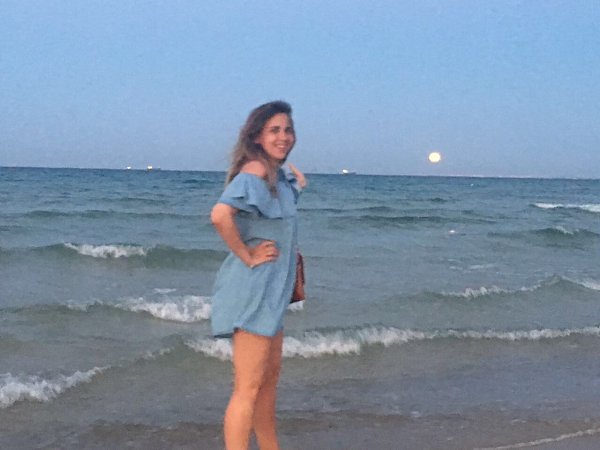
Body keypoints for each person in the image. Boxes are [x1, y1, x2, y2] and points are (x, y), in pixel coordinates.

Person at [210, 100, 306, 450]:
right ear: (257, 136)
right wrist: (247, 255)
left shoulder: (275, 176)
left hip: (272, 293)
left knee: (267, 386)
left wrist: (297, 185)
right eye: (274, 130)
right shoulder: (254, 171)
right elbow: (220, 215)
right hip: (254, 290)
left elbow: (276, 216)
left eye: (288, 130)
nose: (284, 137)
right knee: (248, 389)